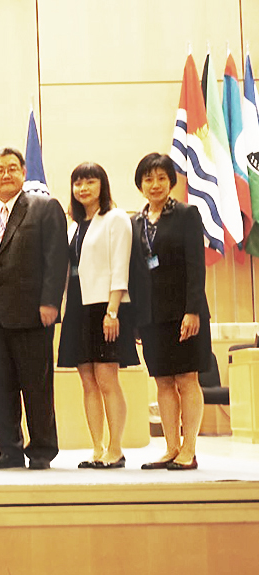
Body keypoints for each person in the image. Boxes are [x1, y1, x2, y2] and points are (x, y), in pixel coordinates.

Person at [0, 147, 68, 470]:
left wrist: (51, 301)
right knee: (0, 389)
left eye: (13, 168)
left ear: (24, 173)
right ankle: (9, 449)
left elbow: (56, 259)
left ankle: (41, 448)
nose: (6, 174)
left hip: (33, 314)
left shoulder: (44, 208)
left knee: (36, 387)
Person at [129, 153, 210, 471]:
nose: (155, 184)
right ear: (140, 185)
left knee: (187, 379)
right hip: (151, 315)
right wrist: (136, 318)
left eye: (161, 177)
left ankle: (189, 449)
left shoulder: (187, 214)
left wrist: (192, 310)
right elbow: (135, 272)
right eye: (148, 178)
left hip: (184, 313)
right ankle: (170, 447)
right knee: (163, 381)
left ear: (170, 182)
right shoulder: (136, 222)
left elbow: (196, 265)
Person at [56, 163, 138, 469]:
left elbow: (121, 266)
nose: (83, 188)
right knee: (87, 381)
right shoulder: (73, 225)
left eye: (90, 182)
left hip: (106, 306)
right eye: (78, 183)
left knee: (107, 379)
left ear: (102, 185)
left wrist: (113, 311)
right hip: (77, 305)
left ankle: (116, 448)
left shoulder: (115, 218)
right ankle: (97, 448)